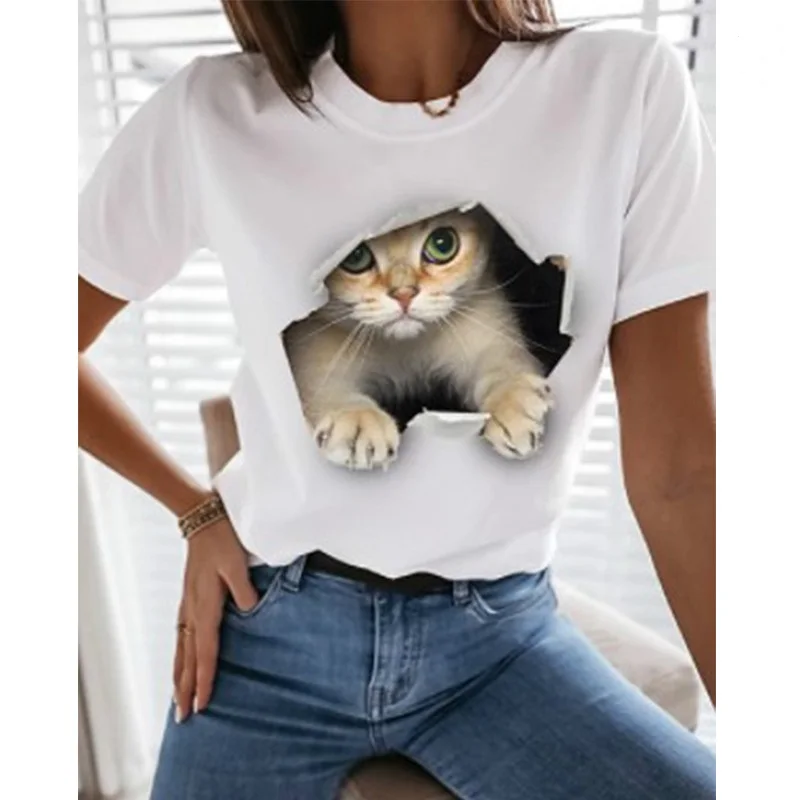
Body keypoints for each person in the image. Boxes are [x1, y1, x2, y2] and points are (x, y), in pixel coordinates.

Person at [78, 1, 716, 797]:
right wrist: (196, 512)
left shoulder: (625, 91)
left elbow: (682, 476)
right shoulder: (210, 114)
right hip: (268, 637)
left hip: (501, 644)